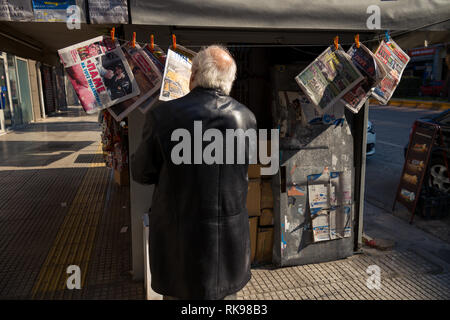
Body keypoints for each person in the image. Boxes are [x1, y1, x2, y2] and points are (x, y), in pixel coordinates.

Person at [131, 45, 257, 300]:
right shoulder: (246, 118)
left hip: (180, 247)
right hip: (227, 248)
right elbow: (240, 173)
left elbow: (141, 173)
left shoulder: (162, 116)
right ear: (229, 81)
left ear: (194, 73)